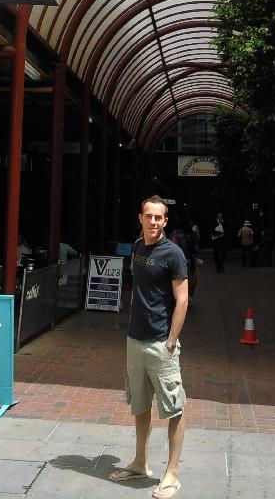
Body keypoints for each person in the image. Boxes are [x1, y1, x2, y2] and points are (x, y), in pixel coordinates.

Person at [109, 195, 188, 499]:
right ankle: (141, 462)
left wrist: (171, 341)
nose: (153, 222)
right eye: (148, 216)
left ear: (165, 222)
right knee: (139, 406)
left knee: (174, 408)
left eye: (159, 218)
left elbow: (182, 301)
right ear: (140, 218)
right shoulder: (138, 247)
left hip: (160, 343)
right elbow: (138, 292)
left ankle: (172, 473)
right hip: (135, 340)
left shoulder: (174, 254)